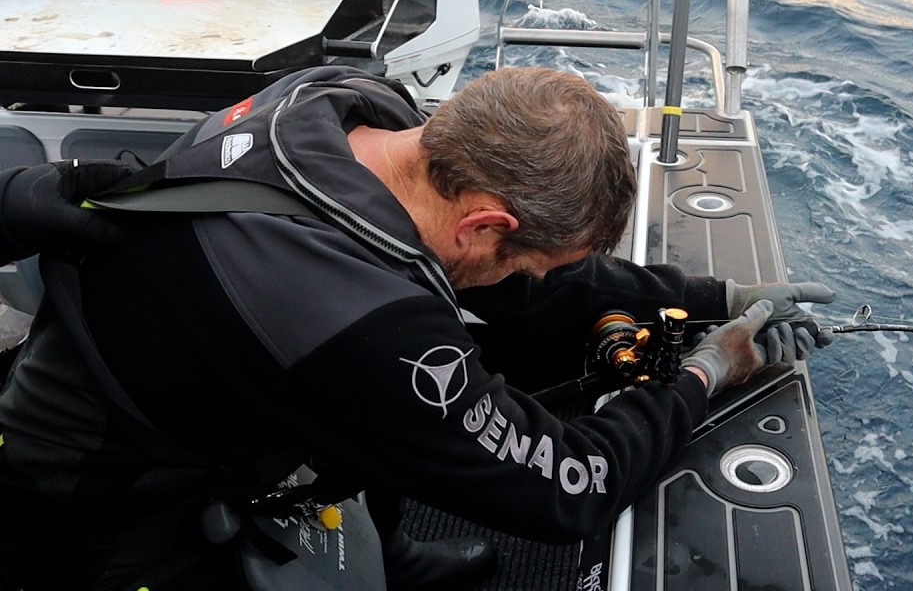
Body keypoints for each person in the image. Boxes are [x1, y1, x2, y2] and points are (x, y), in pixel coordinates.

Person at [0, 65, 834, 590]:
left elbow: (521, 289)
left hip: (213, 370)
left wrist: (709, 292)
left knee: (383, 410)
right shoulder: (365, 324)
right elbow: (566, 487)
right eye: (528, 259)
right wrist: (704, 374)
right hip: (97, 493)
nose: (534, 283)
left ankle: (389, 555)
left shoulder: (337, 100)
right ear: (485, 225)